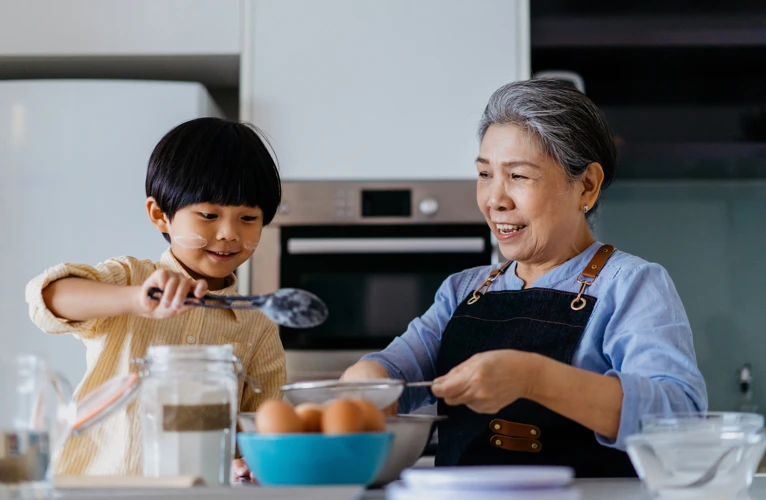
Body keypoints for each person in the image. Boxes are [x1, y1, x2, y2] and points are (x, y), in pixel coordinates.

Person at [341, 79, 708, 477]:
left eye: (518, 176)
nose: (495, 199)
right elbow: (395, 369)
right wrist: (367, 378)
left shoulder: (630, 284)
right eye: (485, 174)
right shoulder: (463, 290)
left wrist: (533, 378)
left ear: (586, 185)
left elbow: (680, 417)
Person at [26, 117, 285, 477]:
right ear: (160, 215)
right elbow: (47, 300)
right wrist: (133, 299)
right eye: (209, 214)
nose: (229, 233)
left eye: (248, 218)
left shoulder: (258, 328)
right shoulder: (129, 278)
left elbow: (261, 428)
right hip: (95, 490)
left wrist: (250, 462)